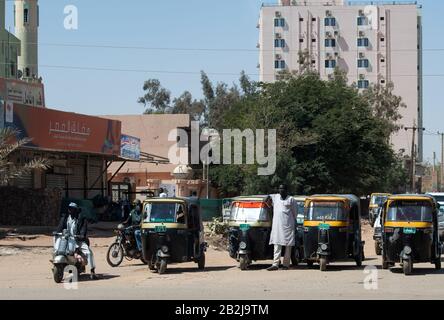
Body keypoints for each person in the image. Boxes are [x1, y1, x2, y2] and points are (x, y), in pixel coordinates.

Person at [56, 202, 98, 280]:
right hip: (67, 239)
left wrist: (81, 235)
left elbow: (83, 229)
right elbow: (60, 226)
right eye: (69, 209)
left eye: (72, 209)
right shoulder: (65, 218)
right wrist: (57, 232)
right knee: (57, 249)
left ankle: (92, 271)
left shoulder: (81, 218)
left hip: (78, 240)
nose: (70, 210)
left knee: (89, 252)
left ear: (76, 210)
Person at [267, 184, 297, 271]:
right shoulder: (275, 197)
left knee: (288, 245)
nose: (281, 190)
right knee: (277, 244)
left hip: (288, 226)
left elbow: (295, 213)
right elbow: (266, 199)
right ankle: (275, 264)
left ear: (286, 190)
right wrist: (267, 197)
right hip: (277, 226)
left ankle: (286, 264)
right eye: (279, 188)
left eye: (283, 188)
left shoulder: (291, 199)